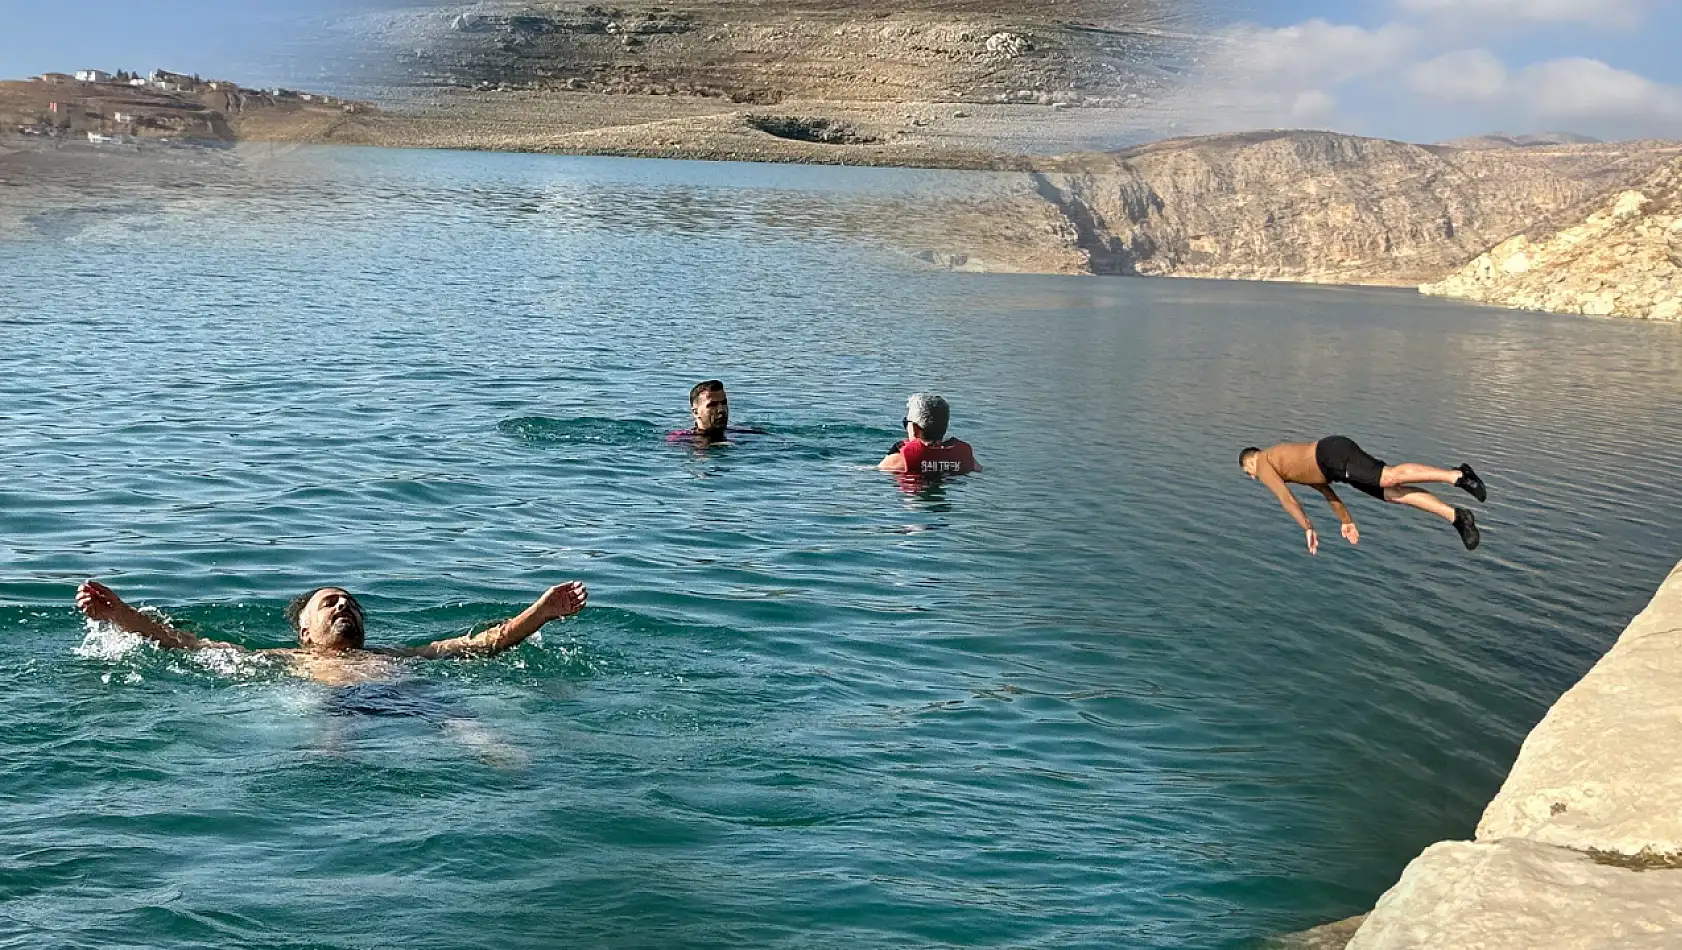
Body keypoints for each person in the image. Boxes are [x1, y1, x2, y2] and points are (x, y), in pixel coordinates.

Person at [74, 579, 587, 685]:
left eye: (353, 605)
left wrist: (539, 612)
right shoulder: (283, 661)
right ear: (304, 632)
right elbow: (186, 645)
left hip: (412, 704)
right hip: (328, 709)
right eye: (331, 603)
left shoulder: (400, 655)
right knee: (332, 741)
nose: (345, 607)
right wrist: (121, 616)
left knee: (476, 732)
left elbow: (483, 644)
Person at [1239, 436, 1486, 553]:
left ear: (1250, 461)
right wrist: (1345, 520)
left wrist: (1307, 526)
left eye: (1247, 472)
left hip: (1332, 454)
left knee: (1389, 477)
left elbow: (1285, 499)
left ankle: (1458, 476)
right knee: (1392, 493)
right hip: (1332, 466)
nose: (1253, 477)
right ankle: (1457, 517)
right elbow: (1324, 488)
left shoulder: (1262, 463)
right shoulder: (1284, 465)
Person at [879, 393, 981, 477]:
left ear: (915, 429)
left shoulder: (899, 461)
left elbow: (873, 471)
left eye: (906, 422)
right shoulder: (966, 459)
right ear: (945, 427)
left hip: (916, 498)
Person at [668, 379, 764, 444]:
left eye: (723, 403)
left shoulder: (745, 433)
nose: (721, 409)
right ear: (696, 412)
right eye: (712, 405)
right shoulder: (681, 440)